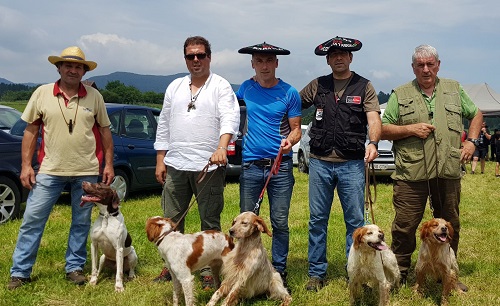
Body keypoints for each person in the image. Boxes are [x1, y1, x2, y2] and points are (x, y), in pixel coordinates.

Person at [8, 46, 114, 289]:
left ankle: (75, 267)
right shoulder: (42, 93)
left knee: (81, 222)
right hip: (49, 170)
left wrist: (108, 164)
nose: (73, 70)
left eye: (78, 66)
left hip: (86, 169)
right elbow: (31, 131)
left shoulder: (94, 97)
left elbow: (105, 131)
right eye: (68, 65)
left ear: (84, 71)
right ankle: (20, 272)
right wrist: (26, 166)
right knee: (33, 220)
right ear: (59, 68)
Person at [381, 44, 483, 292]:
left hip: (447, 170)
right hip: (411, 173)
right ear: (413, 67)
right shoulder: (400, 94)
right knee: (404, 226)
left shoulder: (454, 89)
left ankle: (448, 274)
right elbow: (383, 129)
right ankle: (400, 276)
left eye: (430, 64)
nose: (426, 69)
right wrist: (409, 129)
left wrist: (471, 141)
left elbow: (476, 114)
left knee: (450, 225)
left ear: (438, 65)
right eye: (420, 65)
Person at [154, 36, 240, 288]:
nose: (195, 60)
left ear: (209, 57)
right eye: (190, 56)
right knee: (171, 222)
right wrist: (161, 160)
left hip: (209, 166)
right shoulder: (175, 87)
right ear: (185, 59)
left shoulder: (220, 86)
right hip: (177, 164)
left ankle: (207, 272)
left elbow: (230, 119)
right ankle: (171, 267)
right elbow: (164, 125)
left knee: (210, 222)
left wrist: (222, 147)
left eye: (200, 55)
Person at [300, 36, 381, 291]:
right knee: (317, 221)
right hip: (320, 162)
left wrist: (373, 143)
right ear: (327, 59)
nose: (338, 58)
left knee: (355, 223)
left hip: (352, 164)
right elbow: (292, 104)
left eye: (343, 54)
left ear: (350, 58)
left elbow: (374, 118)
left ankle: (355, 274)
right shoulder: (317, 85)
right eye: (333, 54)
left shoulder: (364, 86)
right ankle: (316, 274)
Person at [236, 42, 302, 291]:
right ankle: (245, 267)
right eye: (259, 61)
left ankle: (278, 269)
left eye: (269, 60)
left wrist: (289, 142)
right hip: (251, 164)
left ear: (276, 63)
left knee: (280, 221)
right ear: (253, 63)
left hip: (280, 167)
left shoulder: (289, 92)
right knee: (246, 222)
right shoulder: (245, 88)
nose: (264, 65)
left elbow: (296, 129)